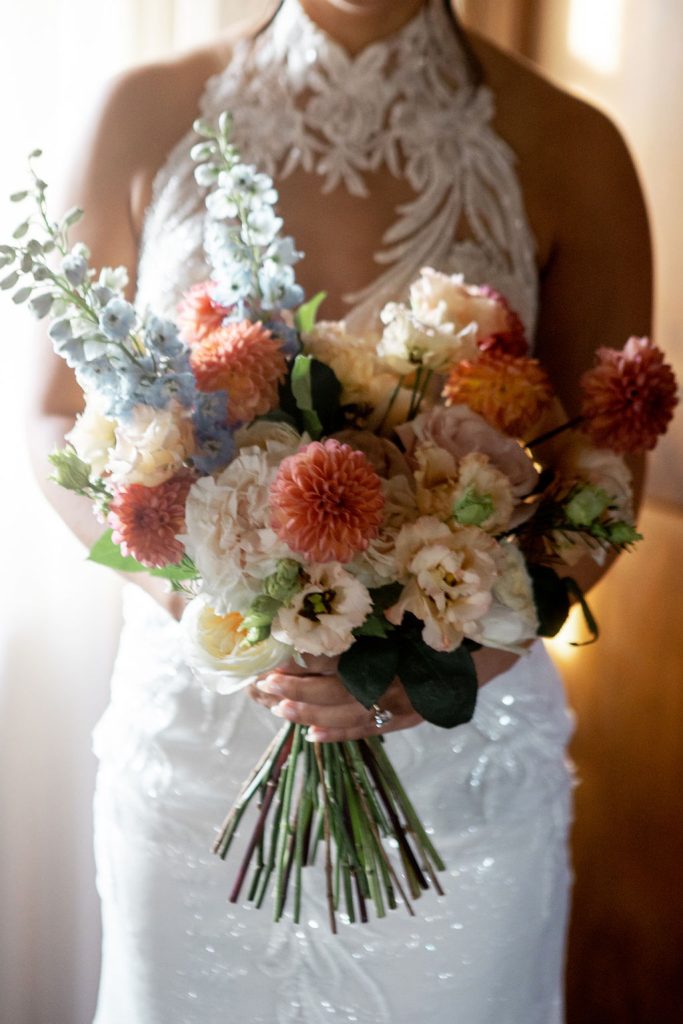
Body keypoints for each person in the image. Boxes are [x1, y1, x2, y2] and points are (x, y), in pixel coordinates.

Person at [29, 0, 651, 1021]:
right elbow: (53, 413)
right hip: (196, 755)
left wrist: (463, 654)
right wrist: (207, 604)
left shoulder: (574, 146)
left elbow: (606, 459)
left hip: (462, 774)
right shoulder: (140, 113)